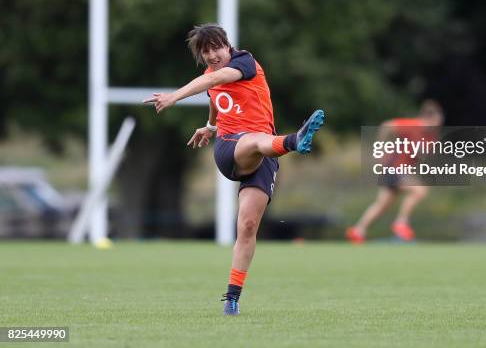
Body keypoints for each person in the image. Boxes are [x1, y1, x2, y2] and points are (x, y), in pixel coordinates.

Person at [144, 23, 324, 315]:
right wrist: (210, 125)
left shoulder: (245, 62)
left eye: (215, 48)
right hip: (230, 148)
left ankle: (232, 298)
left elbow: (219, 81)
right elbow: (214, 93)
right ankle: (295, 140)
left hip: (265, 152)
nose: (212, 55)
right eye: (205, 52)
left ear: (227, 45)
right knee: (253, 140)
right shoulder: (209, 75)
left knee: (248, 225)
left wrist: (181, 101)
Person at [346, 100, 444, 244]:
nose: (438, 126)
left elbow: (421, 155)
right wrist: (379, 149)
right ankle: (401, 222)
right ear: (426, 118)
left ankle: (358, 230)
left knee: (382, 205)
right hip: (394, 167)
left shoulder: (431, 135)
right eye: (436, 122)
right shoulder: (413, 125)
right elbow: (387, 126)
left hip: (401, 170)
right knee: (419, 191)